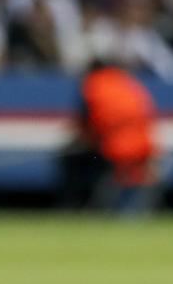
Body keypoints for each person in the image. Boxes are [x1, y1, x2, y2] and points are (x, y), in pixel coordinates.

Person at [60, 61, 160, 215]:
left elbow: (86, 124)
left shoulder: (93, 85)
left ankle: (79, 208)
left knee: (74, 161)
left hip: (115, 147)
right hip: (144, 146)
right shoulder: (127, 83)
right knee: (136, 178)